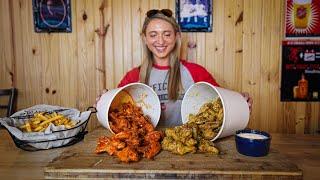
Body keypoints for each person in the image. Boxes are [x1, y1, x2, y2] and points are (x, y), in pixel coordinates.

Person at [96, 9, 252, 127]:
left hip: (188, 151)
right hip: (146, 151)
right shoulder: (132, 77)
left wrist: (239, 103)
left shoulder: (196, 72)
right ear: (145, 38)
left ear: (177, 37)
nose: (160, 40)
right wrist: (104, 104)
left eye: (166, 34)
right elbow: (115, 114)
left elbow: (221, 107)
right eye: (153, 34)